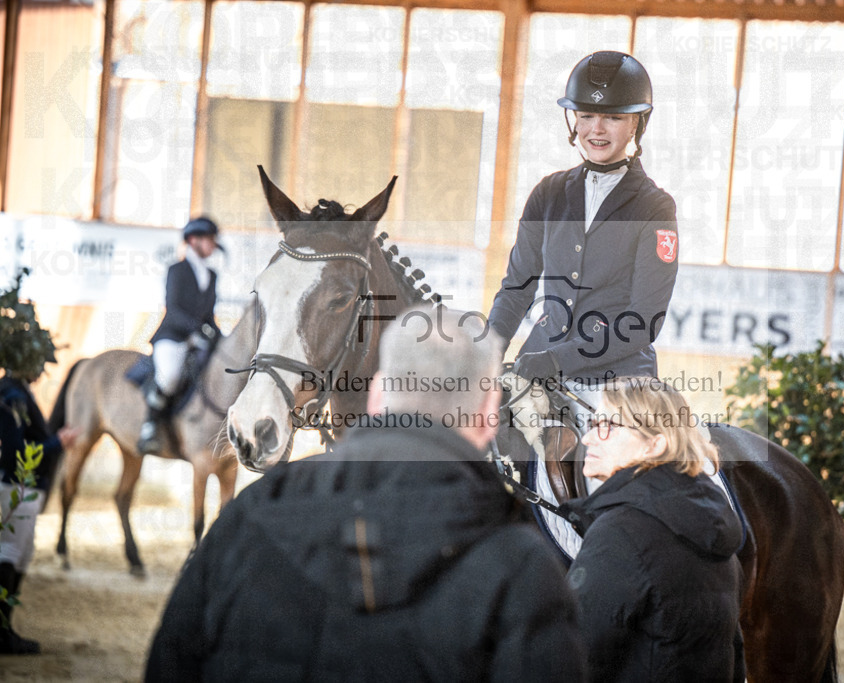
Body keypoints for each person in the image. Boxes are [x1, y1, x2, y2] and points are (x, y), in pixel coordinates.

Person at [145, 306, 585, 682]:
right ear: (490, 416)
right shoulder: (524, 565)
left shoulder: (251, 514)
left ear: (376, 395)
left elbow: (170, 663)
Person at [488, 51, 678, 388]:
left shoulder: (655, 208)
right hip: (538, 364)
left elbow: (644, 320)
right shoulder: (549, 193)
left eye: (614, 117)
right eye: (587, 115)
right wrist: (487, 352)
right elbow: (517, 288)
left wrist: (559, 359)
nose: (597, 129)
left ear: (637, 121)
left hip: (618, 379)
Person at [559, 377, 745, 682]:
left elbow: (568, 656)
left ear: (654, 445)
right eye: (593, 423)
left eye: (608, 425)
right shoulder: (714, 526)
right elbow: (734, 656)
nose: (588, 438)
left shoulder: (621, 533)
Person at [1, 273, 80, 655]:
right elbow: (18, 450)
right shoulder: (13, 395)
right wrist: (58, 441)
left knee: (18, 554)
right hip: (13, 485)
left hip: (17, 486)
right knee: (9, 556)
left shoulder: (15, 391)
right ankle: (2, 631)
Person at [137, 216, 222, 455]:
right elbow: (173, 310)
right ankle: (150, 426)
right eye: (209, 240)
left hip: (197, 340)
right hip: (172, 337)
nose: (213, 245)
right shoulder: (177, 270)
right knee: (171, 375)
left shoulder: (212, 275)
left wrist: (219, 336)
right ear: (193, 240)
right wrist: (197, 329)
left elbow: (209, 317)